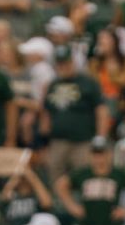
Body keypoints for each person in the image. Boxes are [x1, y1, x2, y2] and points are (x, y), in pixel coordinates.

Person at [56, 136, 125, 225]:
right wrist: (72, 206)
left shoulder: (118, 173)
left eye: (102, 153)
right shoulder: (83, 173)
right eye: (95, 154)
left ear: (109, 154)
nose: (99, 158)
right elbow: (61, 185)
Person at [42, 45, 108, 181]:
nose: (63, 66)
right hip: (58, 141)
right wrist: (44, 140)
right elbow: (46, 111)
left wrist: (101, 136)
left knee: (83, 176)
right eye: (59, 63)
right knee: (55, 176)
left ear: (72, 62)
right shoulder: (52, 84)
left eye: (65, 62)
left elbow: (101, 110)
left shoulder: (88, 83)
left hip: (83, 141)